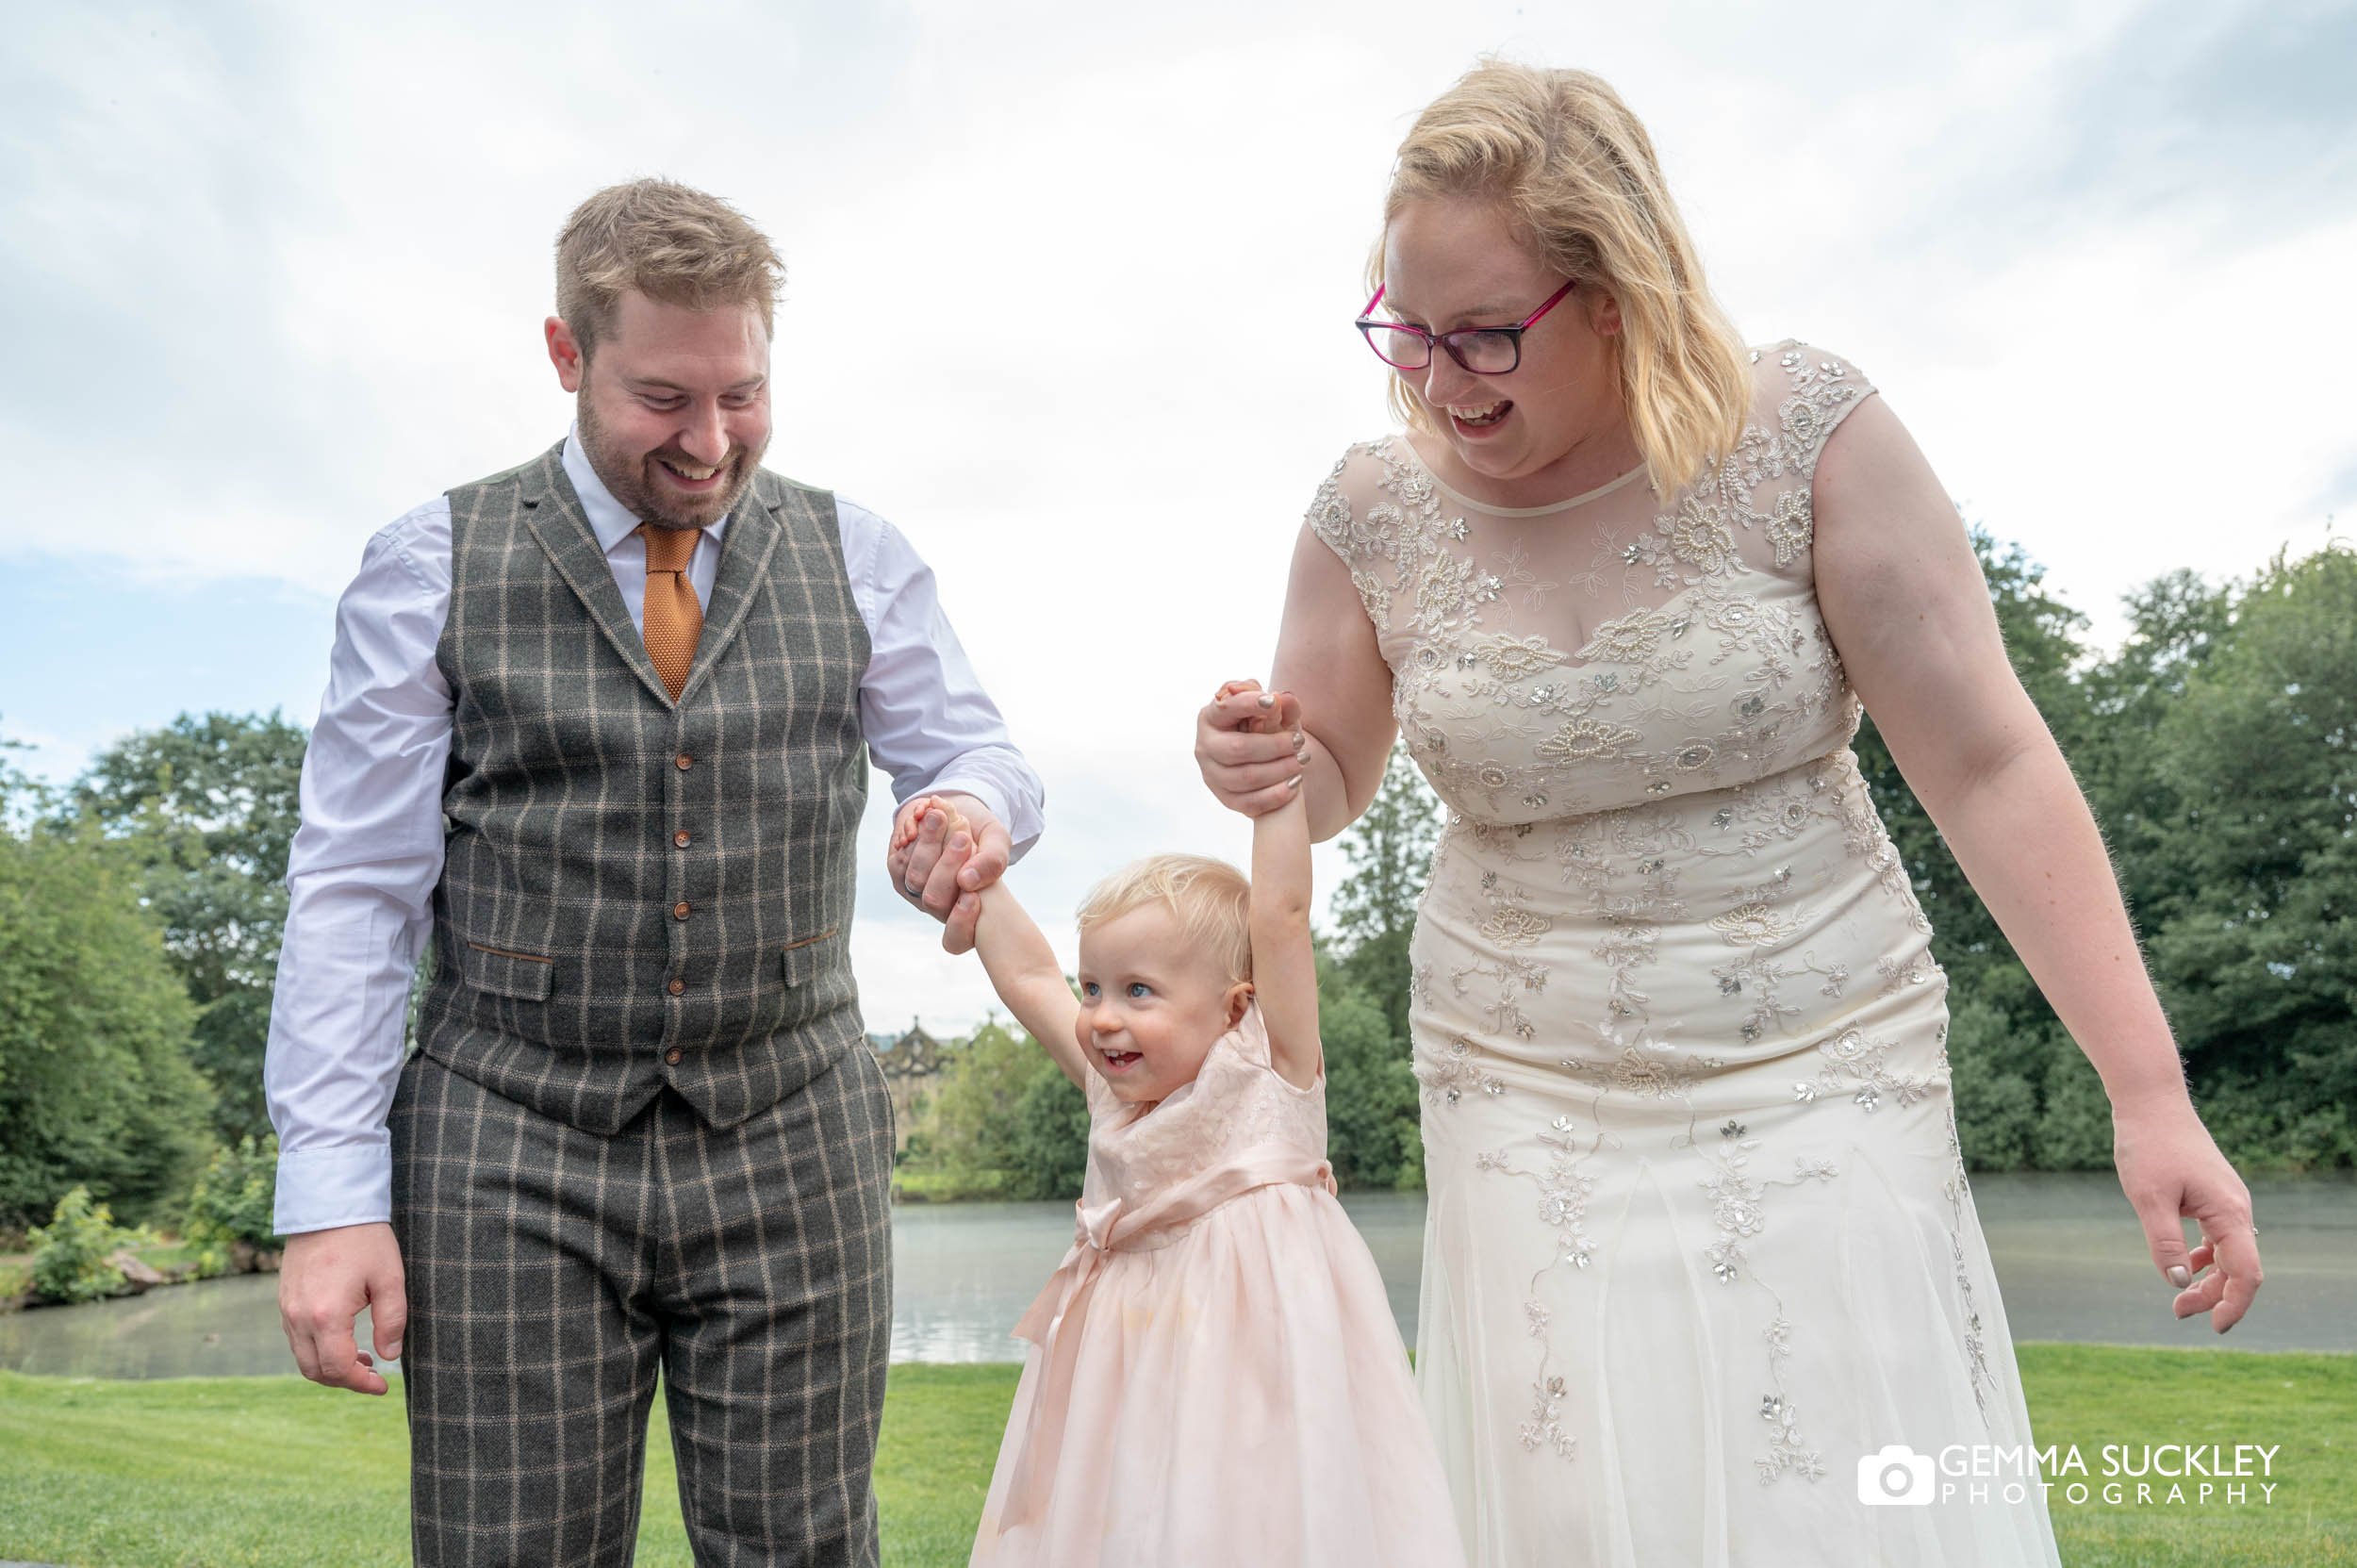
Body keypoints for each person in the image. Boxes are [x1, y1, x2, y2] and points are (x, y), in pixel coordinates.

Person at [1195, 61, 2263, 1566]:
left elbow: (1987, 763)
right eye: (1406, 328)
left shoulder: (1804, 436)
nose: (1438, 378)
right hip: (1519, 1084)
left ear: (1618, 289)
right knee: (1572, 1500)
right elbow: (1329, 775)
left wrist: (2147, 1092)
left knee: (1828, 1487)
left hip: (1827, 1055)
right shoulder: (1370, 508)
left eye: (1485, 331)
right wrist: (1262, 768)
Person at [264, 177, 1041, 1566]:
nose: (710, 439)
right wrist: (331, 1197)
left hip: (792, 1123)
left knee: (806, 1545)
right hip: (507, 1135)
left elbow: (976, 751)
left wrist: (968, 809)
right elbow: (354, 889)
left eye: (741, 393)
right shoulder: (425, 564)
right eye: (662, 398)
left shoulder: (860, 553)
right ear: (567, 357)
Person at [899, 699, 1466, 1568]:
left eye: (1139, 991)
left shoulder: (1274, 1066)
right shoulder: (1110, 1095)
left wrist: (1275, 788)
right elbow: (1023, 970)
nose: (1102, 1018)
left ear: (1234, 1005)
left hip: (1257, 1369)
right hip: (1125, 1367)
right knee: (1131, 1518)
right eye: (1095, 987)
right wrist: (974, 867)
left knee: (1247, 1524)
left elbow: (1277, 912)